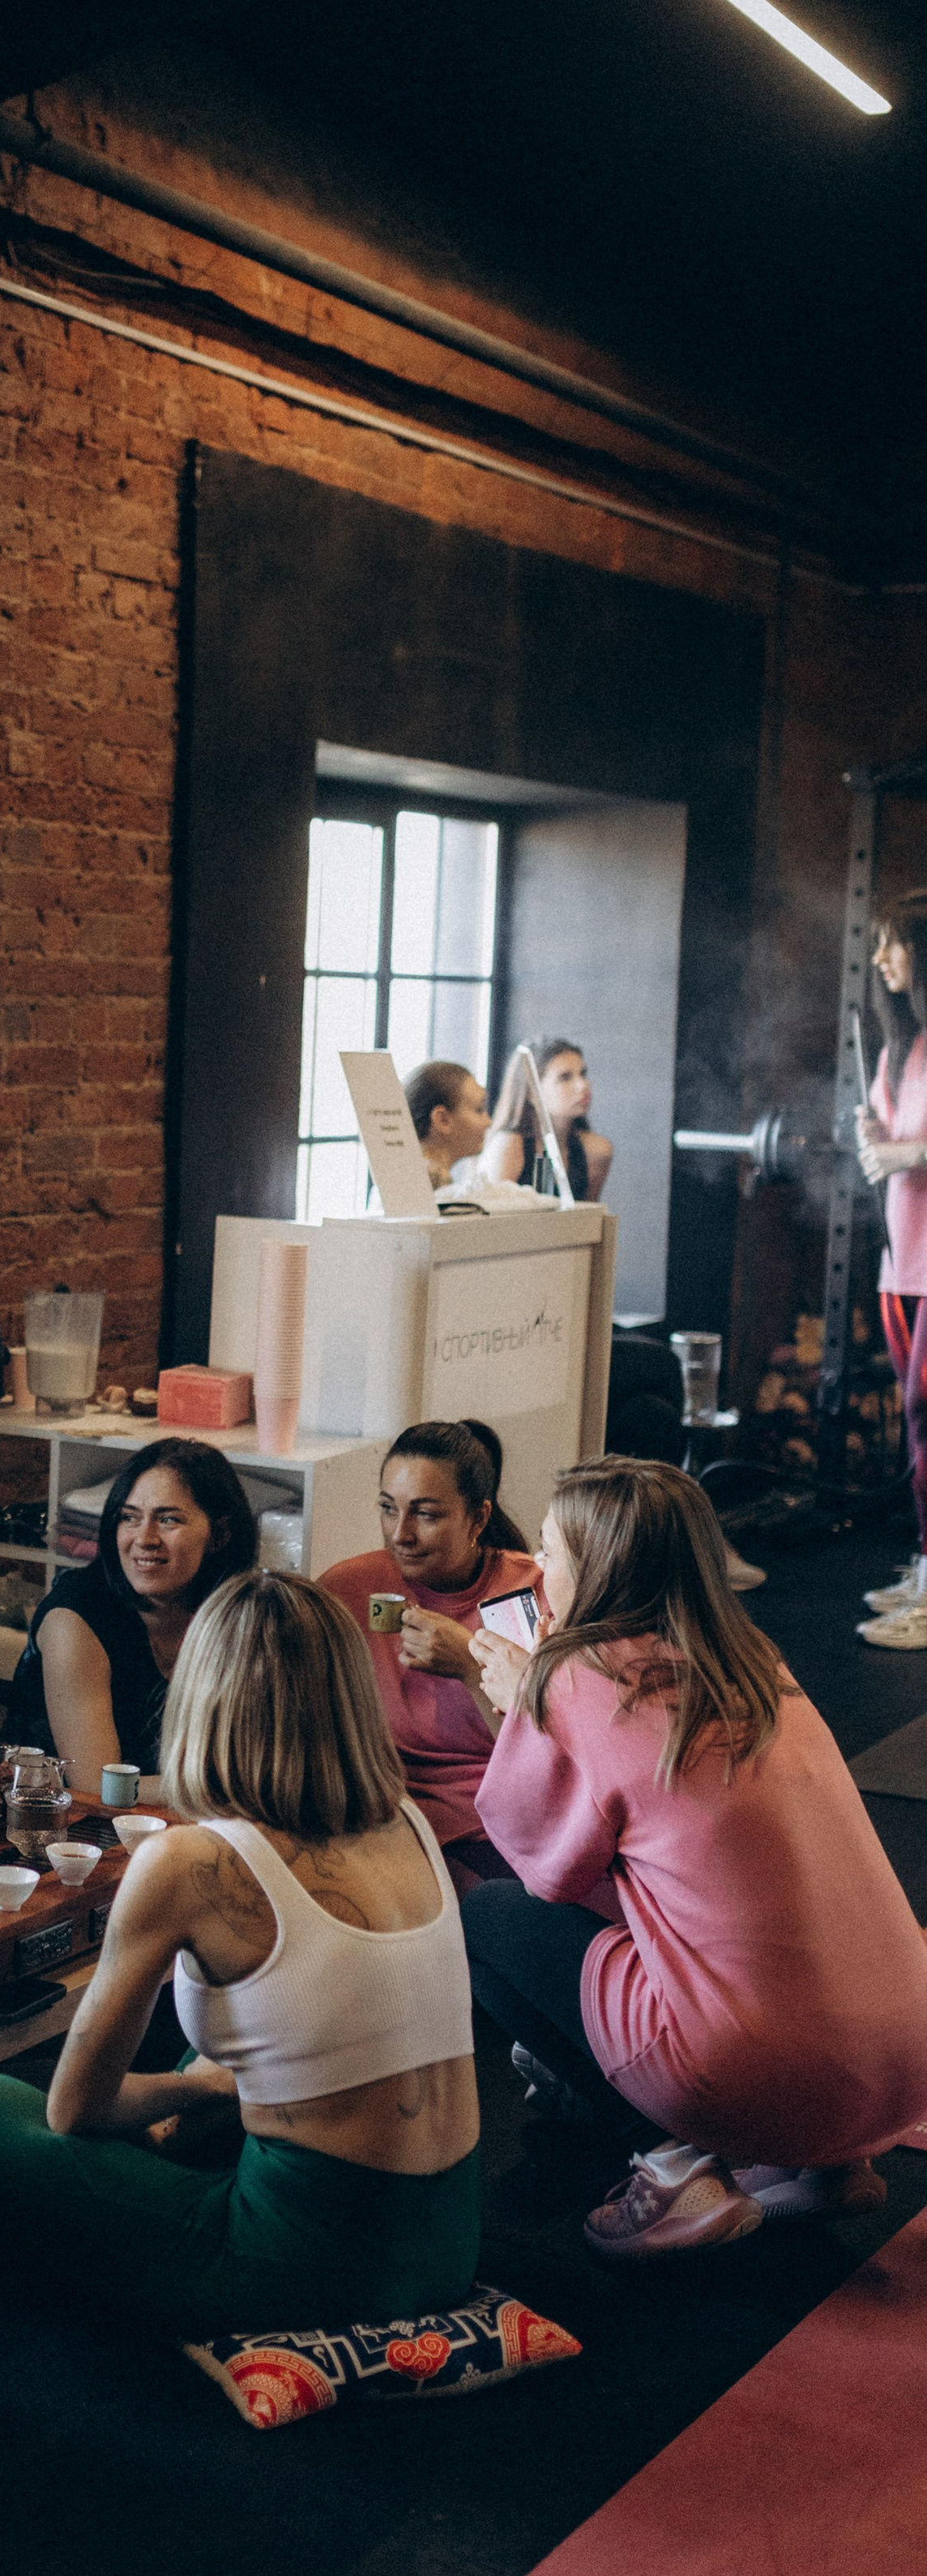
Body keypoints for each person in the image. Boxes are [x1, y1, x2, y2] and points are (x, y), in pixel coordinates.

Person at [0, 1572, 480, 2337]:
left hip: (304, 2264)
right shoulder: (406, 1820)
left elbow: (75, 2111)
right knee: (215, 2054)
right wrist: (209, 2084)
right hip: (450, 2242)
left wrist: (202, 2089)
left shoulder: (188, 1861)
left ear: (204, 1700)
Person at [464, 1458, 927, 2260]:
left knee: (486, 1919)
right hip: (902, 2055)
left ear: (599, 1566)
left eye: (549, 1549)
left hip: (751, 2073)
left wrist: (525, 1702)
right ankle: (822, 2164)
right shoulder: (752, 1660)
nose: (537, 1570)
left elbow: (548, 1871)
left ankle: (672, 2160)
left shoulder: (576, 1679)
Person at [319, 1420, 541, 1891]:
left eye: (425, 1514)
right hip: (373, 1816)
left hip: (490, 1829)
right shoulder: (347, 1588)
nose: (401, 1534)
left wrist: (470, 1667)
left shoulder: (530, 1593)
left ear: (478, 1519)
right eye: (388, 1509)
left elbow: (545, 1764)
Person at [0, 1439, 258, 1783]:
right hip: (56, 1814)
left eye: (168, 1519)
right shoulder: (74, 1618)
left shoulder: (235, 1612)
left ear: (220, 1535)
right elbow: (99, 1787)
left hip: (180, 1809)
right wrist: (237, 1789)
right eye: (129, 1518)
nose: (144, 1538)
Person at [855, 894, 927, 1639]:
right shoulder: (898, 1048)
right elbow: (890, 1148)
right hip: (901, 1259)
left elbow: (914, 1149)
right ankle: (926, 1564)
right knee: (916, 1423)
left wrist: (911, 1151)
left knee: (926, 1415)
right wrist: (874, 1135)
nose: (879, 959)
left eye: (893, 943)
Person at [481, 1038, 612, 1200]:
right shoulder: (508, 1145)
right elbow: (488, 1213)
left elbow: (588, 1214)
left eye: (583, 1074)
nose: (583, 1085)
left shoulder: (596, 1150)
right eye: (565, 1078)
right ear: (531, 1092)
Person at [404, 1060, 490, 1192]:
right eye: (479, 1110)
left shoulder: (411, 1177)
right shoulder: (423, 1187)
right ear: (442, 1120)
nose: (488, 1122)